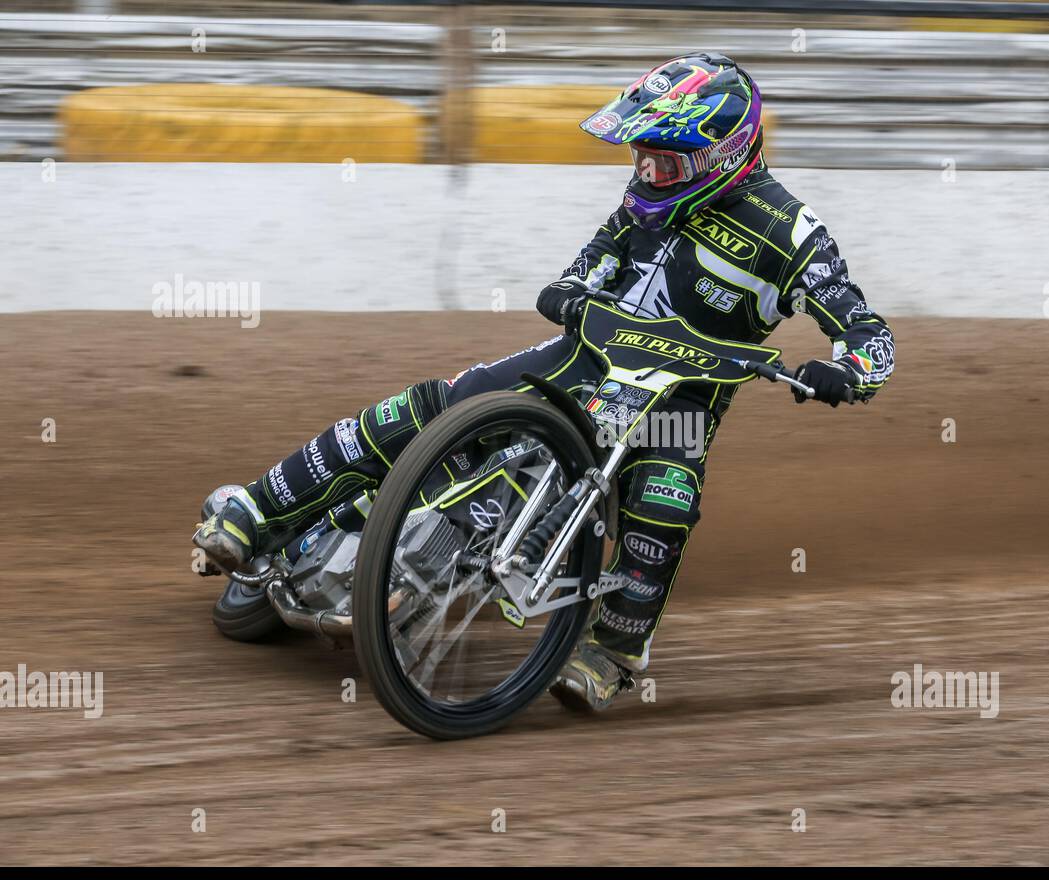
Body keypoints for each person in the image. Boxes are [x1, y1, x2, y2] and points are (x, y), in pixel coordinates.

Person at [194, 52, 895, 712]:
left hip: (676, 404)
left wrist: (845, 371)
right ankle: (257, 509)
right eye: (641, 156)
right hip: (581, 358)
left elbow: (868, 330)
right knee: (429, 408)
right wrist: (566, 291)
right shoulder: (643, 199)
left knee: (664, 506)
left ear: (722, 154)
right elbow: (583, 266)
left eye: (662, 158)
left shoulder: (792, 231)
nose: (646, 171)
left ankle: (613, 650)